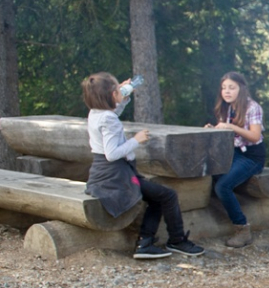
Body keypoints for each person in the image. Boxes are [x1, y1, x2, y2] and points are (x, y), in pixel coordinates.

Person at [82, 72, 204, 260]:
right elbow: (112, 153)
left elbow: (112, 115)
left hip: (103, 174)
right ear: (112, 94)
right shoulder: (108, 119)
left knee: (158, 197)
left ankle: (145, 243)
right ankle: (177, 240)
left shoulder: (97, 114)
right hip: (116, 175)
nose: (120, 92)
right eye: (117, 90)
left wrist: (122, 100)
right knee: (168, 195)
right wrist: (136, 140)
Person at [205, 72, 265, 248]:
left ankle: (242, 228)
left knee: (222, 186)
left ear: (241, 88)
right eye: (224, 88)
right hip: (234, 153)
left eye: (231, 87)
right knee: (211, 173)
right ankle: (220, 217)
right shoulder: (227, 107)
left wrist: (231, 126)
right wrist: (214, 129)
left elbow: (255, 136)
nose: (227, 91)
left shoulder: (252, 107)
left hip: (251, 156)